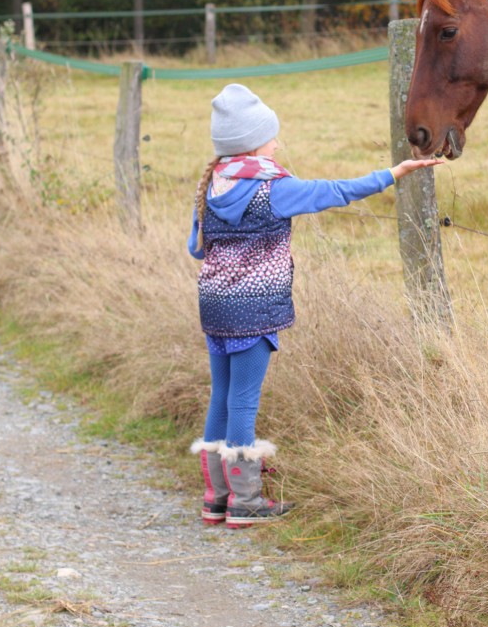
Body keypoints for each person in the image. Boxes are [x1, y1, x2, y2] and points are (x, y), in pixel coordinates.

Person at [187, 83, 441, 528]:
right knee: (245, 402)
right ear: (253, 143)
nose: (276, 143)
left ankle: (216, 497)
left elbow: (196, 248)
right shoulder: (271, 187)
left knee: (222, 396)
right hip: (254, 308)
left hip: (214, 304)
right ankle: (246, 502)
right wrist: (393, 173)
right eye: (270, 137)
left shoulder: (211, 186)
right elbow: (334, 191)